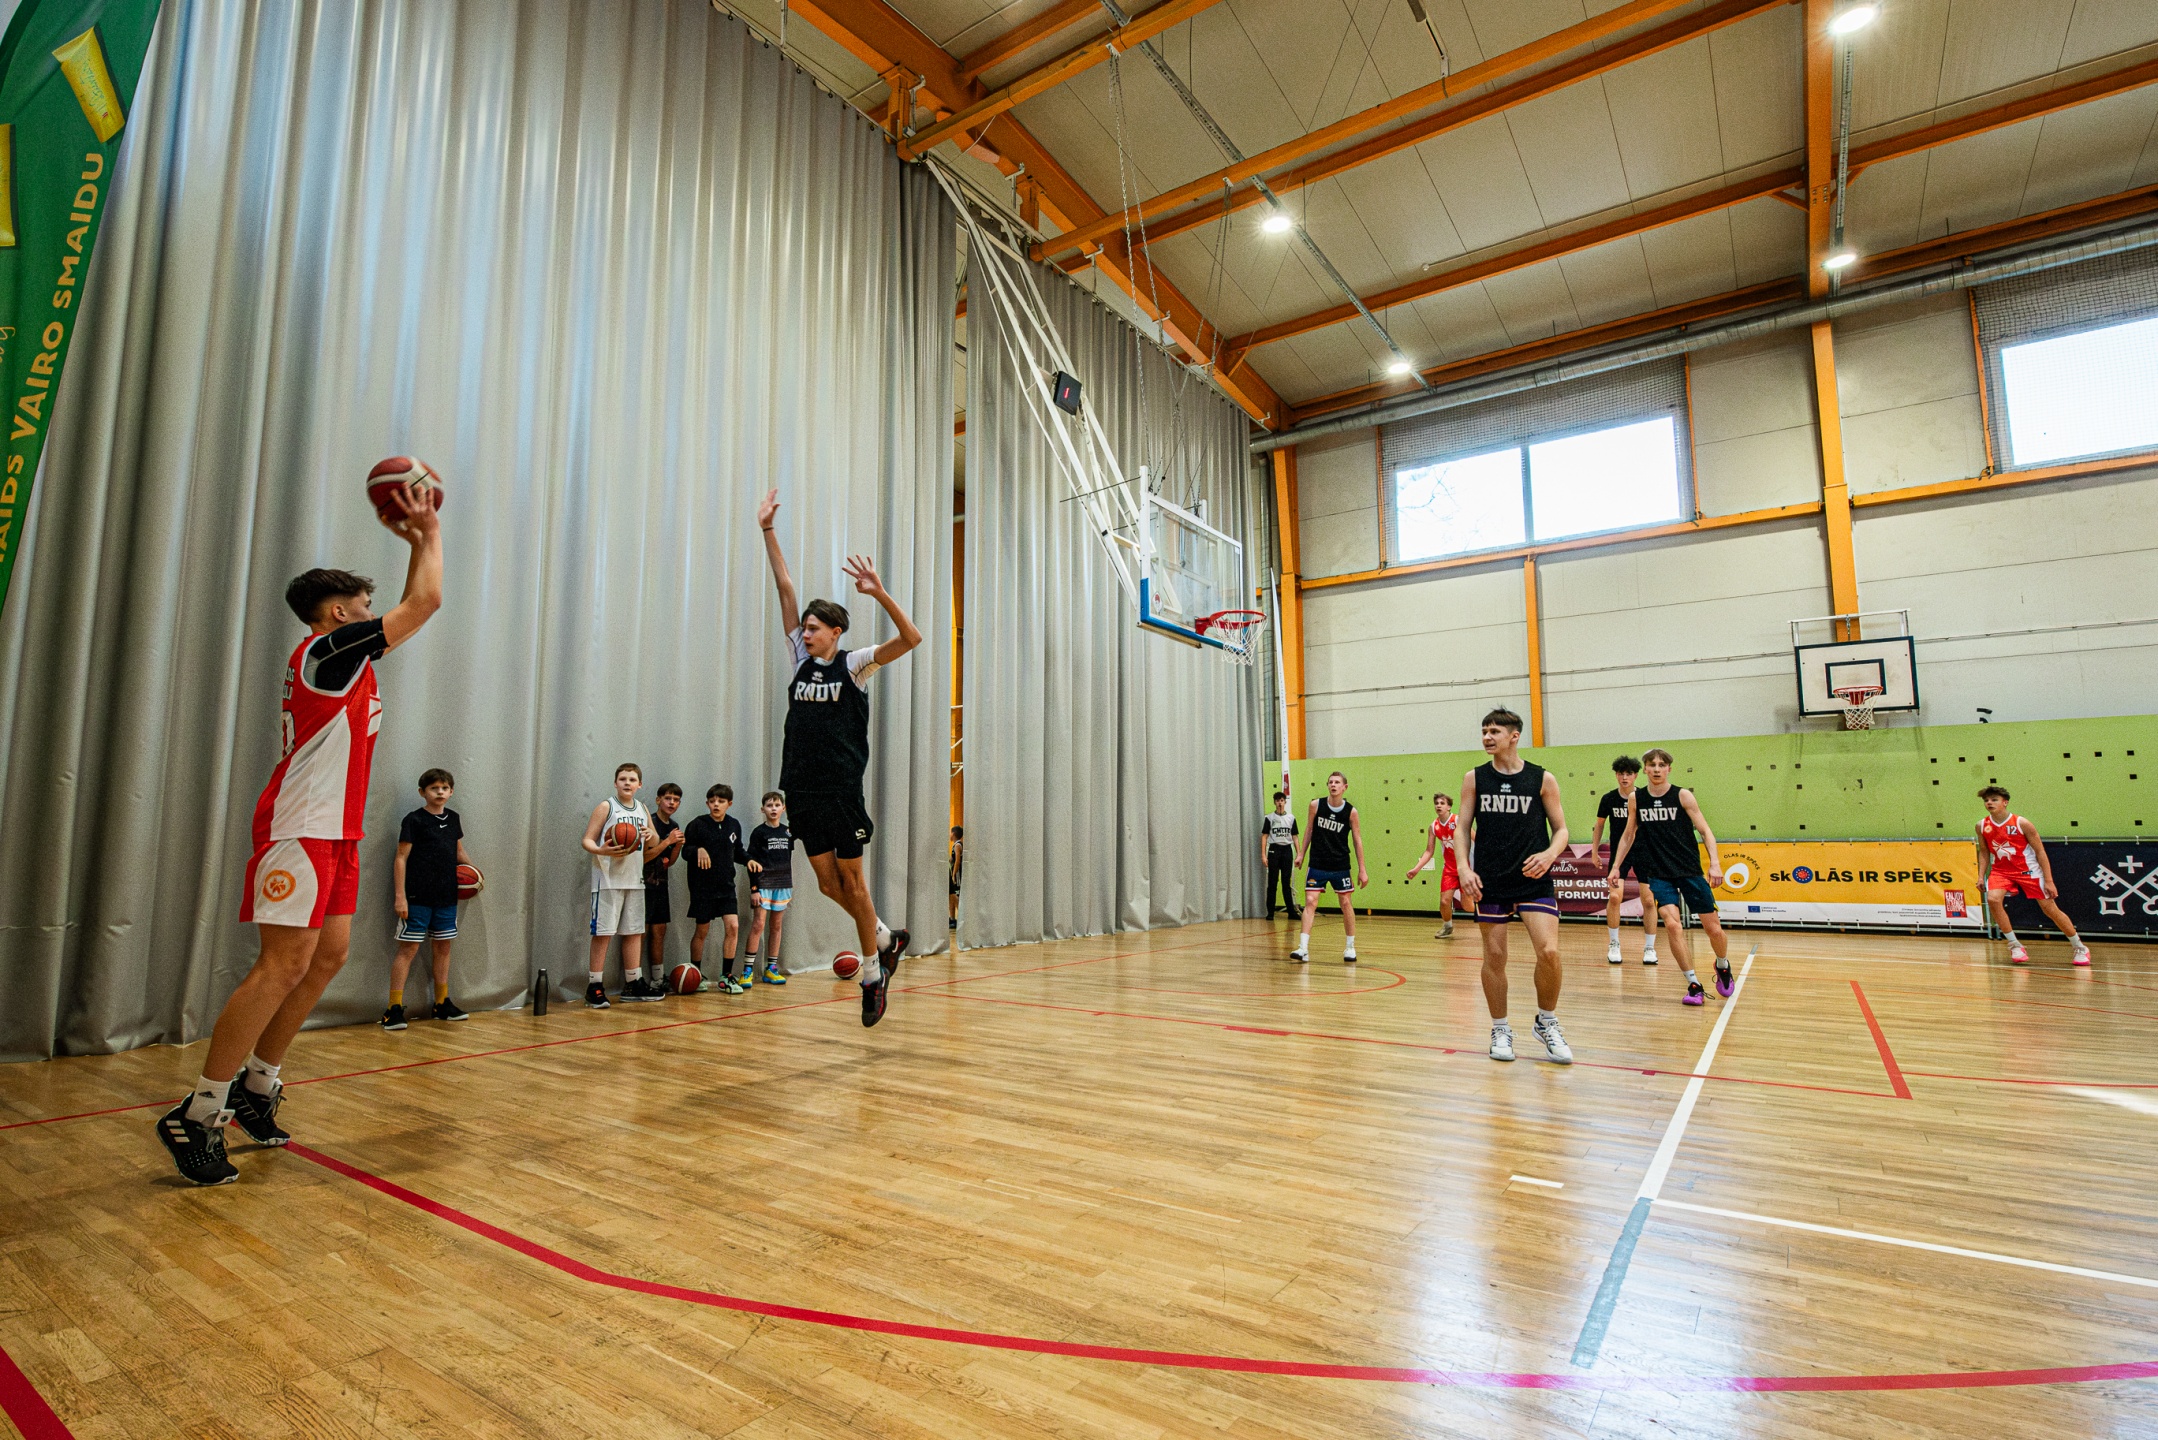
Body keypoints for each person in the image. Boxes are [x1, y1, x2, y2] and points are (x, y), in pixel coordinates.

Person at [157, 470, 443, 1186]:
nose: (376, 617)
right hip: (300, 826)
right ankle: (199, 1112)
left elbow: (412, 604)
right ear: (339, 613)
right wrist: (430, 530)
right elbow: (425, 603)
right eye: (366, 608)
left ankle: (257, 1086)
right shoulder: (326, 652)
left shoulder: (346, 659)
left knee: (326, 959)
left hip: (336, 831)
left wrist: (416, 542)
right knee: (281, 964)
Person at [758, 488, 921, 1026]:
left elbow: (911, 638)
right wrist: (768, 530)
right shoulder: (797, 659)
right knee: (828, 885)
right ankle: (885, 937)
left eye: (813, 629)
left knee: (853, 884)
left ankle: (873, 976)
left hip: (840, 789)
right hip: (801, 789)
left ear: (835, 633)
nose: (804, 634)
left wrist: (880, 593)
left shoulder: (855, 664)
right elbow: (785, 586)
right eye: (803, 628)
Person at [1455, 708, 1572, 1065]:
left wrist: (1550, 854)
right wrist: (1464, 868)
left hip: (1533, 879)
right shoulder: (1475, 778)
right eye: (1484, 731)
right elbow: (1462, 828)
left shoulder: (1541, 779)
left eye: (1494, 731)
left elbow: (1561, 830)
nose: (1487, 737)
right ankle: (1500, 1029)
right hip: (1489, 880)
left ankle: (1546, 1022)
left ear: (1514, 736)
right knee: (1494, 957)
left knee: (1549, 952)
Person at [1611, 749, 1732, 1006]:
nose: (1656, 769)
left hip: (1689, 870)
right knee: (1673, 926)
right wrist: (1615, 866)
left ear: (1669, 769)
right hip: (1659, 873)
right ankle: (1694, 984)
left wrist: (1715, 864)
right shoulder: (1636, 798)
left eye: (1661, 765)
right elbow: (1628, 835)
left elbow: (1705, 830)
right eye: (1652, 765)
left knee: (1714, 929)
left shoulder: (1682, 795)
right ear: (1645, 769)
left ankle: (1722, 964)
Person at [383, 768, 477, 1029]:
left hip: (446, 896)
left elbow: (458, 851)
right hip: (417, 897)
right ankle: (393, 1008)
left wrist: (475, 874)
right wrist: (400, 896)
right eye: (434, 788)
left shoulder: (454, 818)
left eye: (444, 788)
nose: (440, 792)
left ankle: (441, 1003)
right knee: (408, 949)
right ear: (422, 792)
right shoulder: (414, 820)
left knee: (443, 947)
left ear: (451, 792)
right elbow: (400, 858)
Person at [1976, 785, 2090, 966]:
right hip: (2001, 871)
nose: (1989, 803)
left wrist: (2049, 881)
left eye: (1994, 799)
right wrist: (1981, 876)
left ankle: (2079, 947)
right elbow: (1984, 852)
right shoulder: (1982, 825)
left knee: (2049, 909)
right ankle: (2015, 945)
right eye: (1986, 800)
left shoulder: (2022, 823)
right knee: (1993, 899)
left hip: (2028, 870)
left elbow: (2040, 851)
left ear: (2005, 802)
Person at [582, 763, 662, 1007]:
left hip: (635, 879)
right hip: (608, 880)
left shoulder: (642, 808)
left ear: (640, 785)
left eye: (632, 779)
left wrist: (650, 835)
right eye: (623, 779)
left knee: (634, 932)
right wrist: (601, 850)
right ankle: (594, 986)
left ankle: (633, 983)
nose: (627, 783)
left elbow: (654, 841)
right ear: (615, 783)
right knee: (603, 933)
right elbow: (587, 840)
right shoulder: (607, 807)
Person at [1290, 770, 1367, 964]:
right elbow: (1309, 830)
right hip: (1318, 863)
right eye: (1330, 782)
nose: (1333, 785)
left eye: (1337, 782)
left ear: (1344, 787)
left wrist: (1362, 869)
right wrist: (1301, 854)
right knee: (1310, 901)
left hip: (1340, 864)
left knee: (1346, 903)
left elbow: (1357, 841)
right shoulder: (1316, 805)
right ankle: (1303, 947)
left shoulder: (1351, 812)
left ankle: (1350, 947)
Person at [1592, 756, 1657, 966]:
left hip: (1645, 852)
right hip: (1620, 854)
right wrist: (1594, 851)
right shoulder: (1609, 799)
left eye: (1629, 773)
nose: (1624, 777)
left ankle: (1650, 948)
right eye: (1621, 773)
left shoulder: (1644, 798)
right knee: (1614, 897)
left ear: (1636, 775)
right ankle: (1614, 944)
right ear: (1616, 775)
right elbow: (1599, 825)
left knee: (1649, 900)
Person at [684, 784, 747, 993]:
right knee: (702, 931)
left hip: (726, 887)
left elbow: (738, 851)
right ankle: (696, 973)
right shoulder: (697, 824)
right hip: (702, 888)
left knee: (733, 926)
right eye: (712, 801)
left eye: (720, 801)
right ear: (707, 803)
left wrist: (750, 860)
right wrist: (698, 850)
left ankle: (726, 976)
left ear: (729, 804)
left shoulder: (734, 825)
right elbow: (685, 851)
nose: (716, 805)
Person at [746, 792, 795, 985]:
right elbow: (751, 862)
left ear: (783, 808)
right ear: (763, 809)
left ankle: (771, 968)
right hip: (763, 884)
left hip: (782, 884)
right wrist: (754, 888)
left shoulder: (788, 832)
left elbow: (787, 858)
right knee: (758, 924)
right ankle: (748, 971)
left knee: (776, 926)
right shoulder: (759, 833)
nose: (773, 808)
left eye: (776, 805)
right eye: (769, 805)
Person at [644, 782, 687, 973]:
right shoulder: (650, 823)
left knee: (660, 930)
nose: (672, 803)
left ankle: (658, 978)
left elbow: (668, 862)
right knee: (641, 931)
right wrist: (667, 841)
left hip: (661, 884)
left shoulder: (674, 826)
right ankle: (635, 978)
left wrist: (677, 846)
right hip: (643, 884)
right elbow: (645, 857)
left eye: (676, 800)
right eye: (668, 798)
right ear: (658, 800)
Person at [1404, 792, 1459, 939]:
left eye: (1442, 803)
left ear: (1449, 807)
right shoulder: (1434, 827)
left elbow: (1474, 839)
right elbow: (1429, 851)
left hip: (1465, 866)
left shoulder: (1457, 820)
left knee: (1468, 906)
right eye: (1436, 803)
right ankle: (1447, 927)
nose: (1438, 806)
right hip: (1449, 869)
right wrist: (1416, 869)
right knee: (1444, 901)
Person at [1260, 792, 1298, 919]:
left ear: (1285, 802)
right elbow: (1264, 836)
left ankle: (1291, 912)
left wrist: (1299, 854)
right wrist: (1263, 855)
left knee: (1286, 883)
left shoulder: (1291, 818)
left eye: (1281, 800)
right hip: (1274, 850)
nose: (1279, 803)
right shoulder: (1269, 818)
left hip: (1287, 850)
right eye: (1277, 801)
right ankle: (1270, 912)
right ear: (1274, 802)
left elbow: (1295, 837)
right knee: (1272, 882)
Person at [949, 825, 964, 930]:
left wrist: (954, 874)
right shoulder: (955, 845)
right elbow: (953, 859)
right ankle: (952, 918)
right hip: (954, 872)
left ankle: (962, 917)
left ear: (953, 834)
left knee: (955, 895)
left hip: (957, 873)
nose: (949, 835)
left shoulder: (958, 845)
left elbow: (958, 861)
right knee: (951, 896)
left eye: (950, 833)